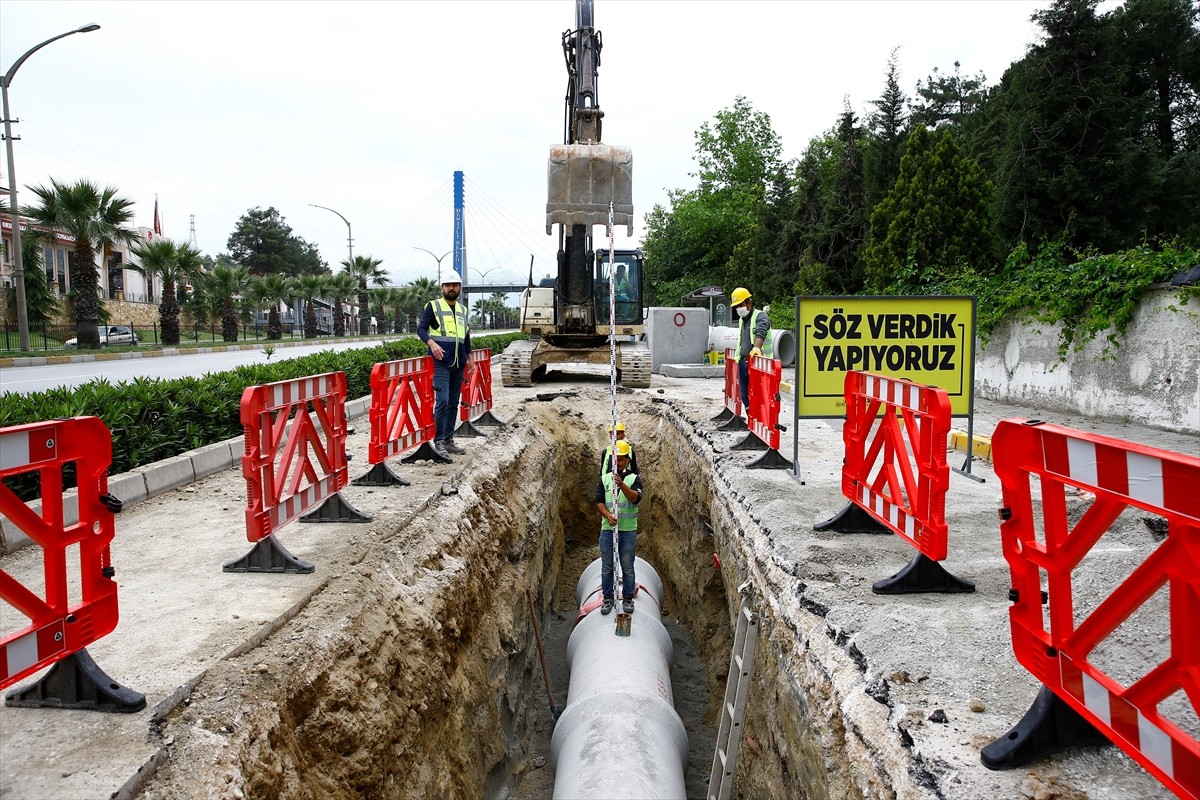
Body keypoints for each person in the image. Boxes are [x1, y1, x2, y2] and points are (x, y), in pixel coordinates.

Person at [418, 270, 472, 460]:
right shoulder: (433, 306)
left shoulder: (463, 310)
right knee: (441, 401)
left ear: (460, 288)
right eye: (448, 285)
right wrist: (431, 344)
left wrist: (470, 357)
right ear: (442, 288)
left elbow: (465, 336)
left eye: (455, 285)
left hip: (458, 363)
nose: (451, 288)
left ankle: (449, 440)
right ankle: (438, 440)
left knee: (452, 403)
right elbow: (421, 329)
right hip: (441, 362)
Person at [594, 439, 643, 615]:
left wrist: (621, 485)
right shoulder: (605, 479)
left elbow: (636, 499)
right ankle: (608, 598)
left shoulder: (633, 479)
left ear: (627, 460)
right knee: (607, 566)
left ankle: (627, 598)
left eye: (621, 459)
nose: (618, 462)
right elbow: (599, 501)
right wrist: (608, 515)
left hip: (628, 531)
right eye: (615, 458)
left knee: (627, 566)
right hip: (608, 529)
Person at [732, 286, 770, 413]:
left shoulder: (760, 316)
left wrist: (757, 348)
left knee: (758, 396)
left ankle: (758, 423)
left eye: (740, 305)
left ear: (749, 302)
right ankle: (751, 420)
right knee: (745, 395)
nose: (738, 309)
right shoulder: (742, 320)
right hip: (743, 362)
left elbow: (761, 331)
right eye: (736, 307)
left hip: (759, 364)